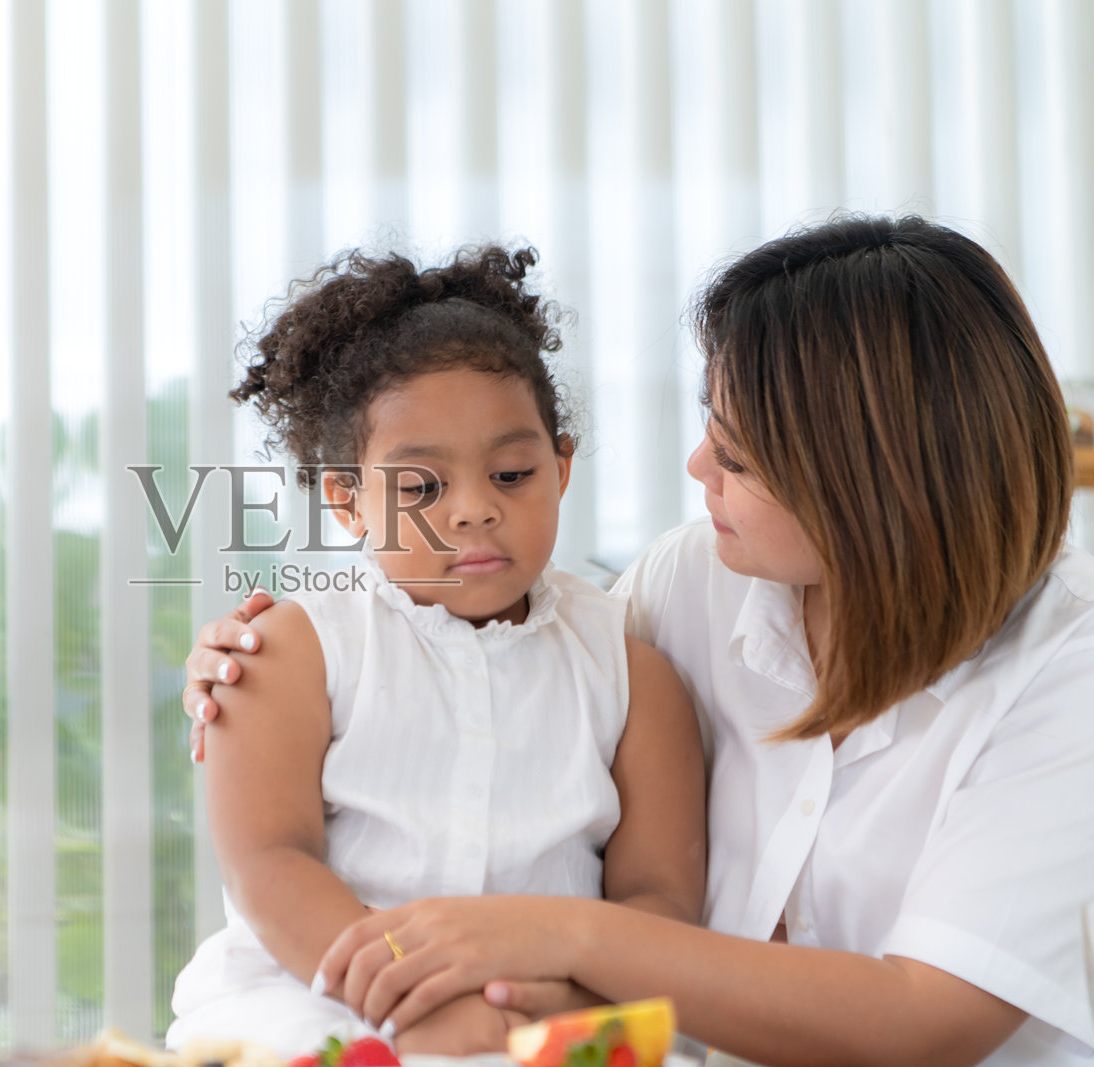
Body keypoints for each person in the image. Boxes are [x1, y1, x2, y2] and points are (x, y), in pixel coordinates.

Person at [182, 216, 1094, 1067]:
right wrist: (248, 666)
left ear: (869, 483)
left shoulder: (1066, 666)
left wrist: (551, 951)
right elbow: (489, 665)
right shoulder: (687, 582)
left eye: (735, 455)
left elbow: (927, 1015)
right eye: (710, 426)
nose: (697, 466)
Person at [166, 246, 707, 1059]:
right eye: (422, 487)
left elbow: (657, 900)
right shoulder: (289, 650)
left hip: (546, 1008)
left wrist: (535, 1004)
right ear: (347, 498)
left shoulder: (633, 672)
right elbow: (271, 862)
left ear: (560, 468)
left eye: (513, 473)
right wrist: (408, 999)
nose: (473, 510)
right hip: (315, 993)